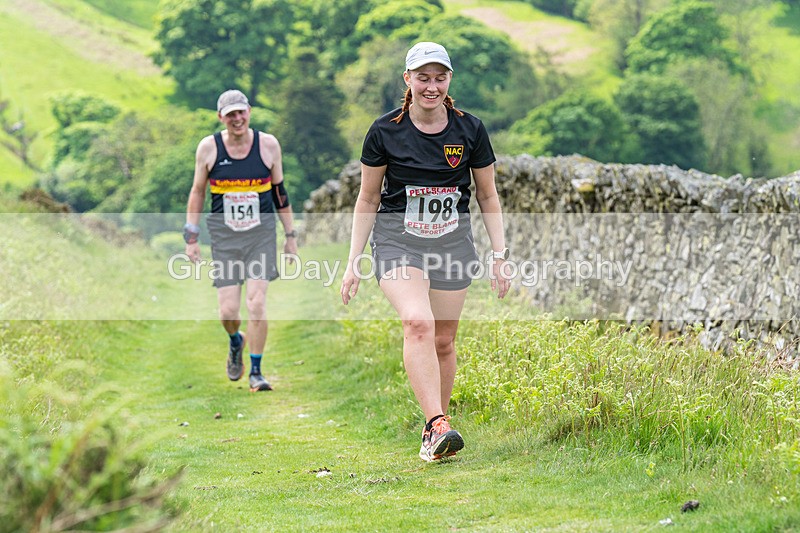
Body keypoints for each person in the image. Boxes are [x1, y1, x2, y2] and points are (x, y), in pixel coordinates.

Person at [340, 42, 510, 461]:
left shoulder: (470, 129)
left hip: (453, 243)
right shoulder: (384, 131)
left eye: (439, 77)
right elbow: (367, 198)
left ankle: (435, 430)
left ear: (449, 79)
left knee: (444, 341)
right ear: (408, 80)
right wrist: (353, 261)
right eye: (423, 77)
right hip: (398, 243)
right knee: (417, 322)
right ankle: (437, 424)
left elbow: (488, 196)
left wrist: (500, 256)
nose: (431, 86)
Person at [184, 89, 298, 392]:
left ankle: (256, 371)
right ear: (221, 117)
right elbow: (197, 192)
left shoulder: (268, 145)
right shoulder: (208, 148)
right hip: (224, 238)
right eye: (230, 114)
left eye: (241, 112)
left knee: (257, 303)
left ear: (249, 111)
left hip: (261, 235)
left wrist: (290, 236)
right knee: (228, 312)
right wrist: (191, 237)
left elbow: (279, 193)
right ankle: (236, 341)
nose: (237, 118)